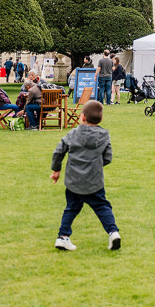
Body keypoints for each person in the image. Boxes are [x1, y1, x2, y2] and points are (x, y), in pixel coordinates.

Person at [51, 100, 121, 251]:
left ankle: (62, 237)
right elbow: (108, 157)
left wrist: (56, 170)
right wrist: (95, 165)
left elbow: (58, 151)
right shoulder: (104, 135)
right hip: (94, 181)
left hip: (73, 181)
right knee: (102, 206)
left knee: (71, 208)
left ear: (81, 117)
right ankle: (113, 232)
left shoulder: (73, 134)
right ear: (101, 119)